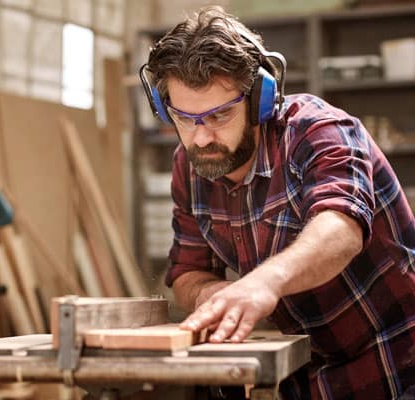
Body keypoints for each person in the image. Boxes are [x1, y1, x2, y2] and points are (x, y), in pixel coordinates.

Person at [140, 5, 415, 400]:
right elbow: (186, 271)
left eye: (218, 117)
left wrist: (262, 284)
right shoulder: (190, 165)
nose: (200, 138)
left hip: (397, 363)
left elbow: (341, 229)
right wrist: (209, 295)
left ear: (260, 101)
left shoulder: (319, 132)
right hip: (305, 375)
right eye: (184, 118)